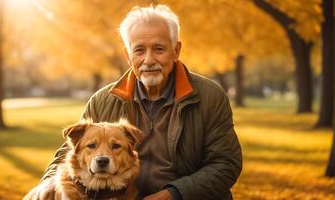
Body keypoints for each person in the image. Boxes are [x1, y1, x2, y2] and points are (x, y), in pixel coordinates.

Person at [27, 4, 242, 200]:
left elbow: (225, 164)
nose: (148, 60)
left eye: (159, 49)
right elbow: (71, 151)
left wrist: (173, 194)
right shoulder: (102, 100)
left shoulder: (209, 97)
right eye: (139, 50)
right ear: (128, 56)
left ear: (176, 51)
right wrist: (48, 182)